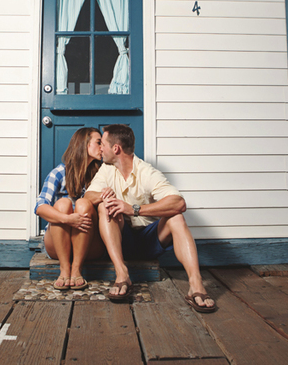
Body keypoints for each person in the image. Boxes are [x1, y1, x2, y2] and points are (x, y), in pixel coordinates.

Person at [84, 124, 217, 313]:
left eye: (103, 144)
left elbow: (179, 203)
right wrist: (104, 195)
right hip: (122, 240)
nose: (100, 149)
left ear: (116, 149)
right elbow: (88, 197)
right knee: (105, 206)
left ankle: (196, 285)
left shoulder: (147, 172)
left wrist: (134, 209)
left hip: (150, 240)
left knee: (176, 217)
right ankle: (122, 274)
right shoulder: (107, 169)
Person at [35, 127, 106, 290]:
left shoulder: (102, 173)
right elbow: (40, 207)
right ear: (84, 144)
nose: (102, 147)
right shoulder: (59, 172)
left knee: (83, 204)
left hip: (89, 245)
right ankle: (64, 268)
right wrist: (68, 219)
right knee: (63, 204)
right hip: (57, 245)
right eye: (98, 142)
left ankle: (76, 269)